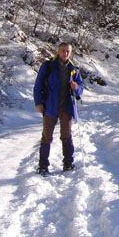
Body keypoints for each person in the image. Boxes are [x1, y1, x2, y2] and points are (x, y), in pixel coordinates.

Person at [33, 41, 84, 174]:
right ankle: (43, 166)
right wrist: (38, 102)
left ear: (70, 52)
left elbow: (81, 88)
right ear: (58, 51)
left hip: (66, 108)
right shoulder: (48, 65)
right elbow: (38, 85)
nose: (65, 53)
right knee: (46, 137)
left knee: (66, 136)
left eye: (68, 51)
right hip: (50, 106)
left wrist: (76, 87)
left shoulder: (74, 69)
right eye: (63, 50)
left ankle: (68, 163)